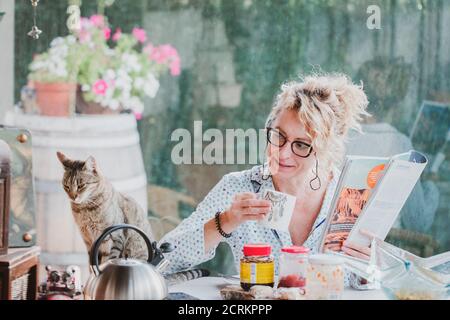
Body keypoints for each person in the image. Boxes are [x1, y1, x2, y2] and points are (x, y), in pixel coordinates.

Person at [159, 73, 374, 289]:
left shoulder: (350, 197)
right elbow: (165, 259)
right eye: (278, 135)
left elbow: (366, 283)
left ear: (325, 149)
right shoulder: (239, 187)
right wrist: (225, 221)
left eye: (301, 145)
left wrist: (367, 269)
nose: (282, 153)